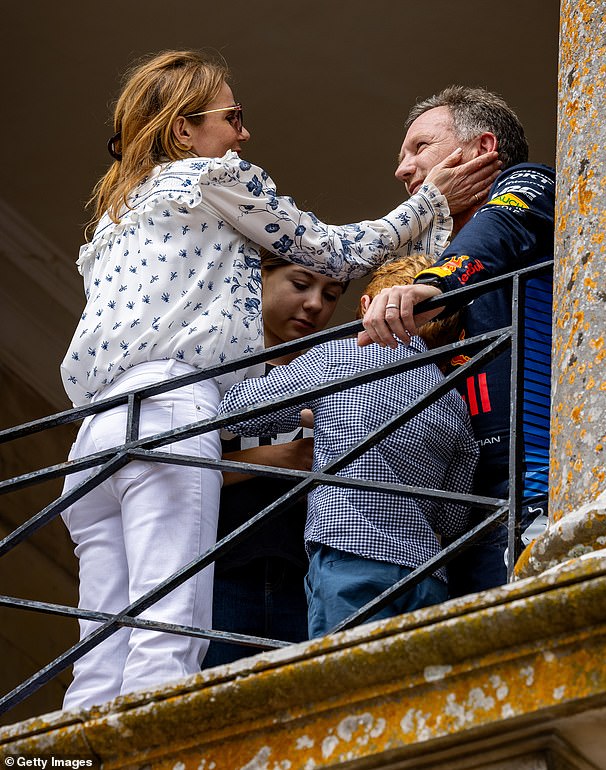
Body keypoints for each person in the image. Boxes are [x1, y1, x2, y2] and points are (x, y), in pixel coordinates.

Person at [58, 52, 499, 709]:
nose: (243, 133)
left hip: (93, 433)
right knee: (165, 636)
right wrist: (435, 200)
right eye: (232, 117)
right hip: (173, 403)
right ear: (185, 130)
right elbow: (335, 251)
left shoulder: (116, 218)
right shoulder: (216, 177)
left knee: (101, 651)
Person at [218, 254, 479, 638]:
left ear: (365, 307)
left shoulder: (337, 356)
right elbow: (453, 519)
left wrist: (313, 415)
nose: (316, 305)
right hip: (425, 573)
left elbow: (235, 412)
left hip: (347, 556)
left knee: (341, 678)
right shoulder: (454, 401)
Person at [359, 86, 555, 596]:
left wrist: (434, 286)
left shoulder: (527, 185)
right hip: (457, 507)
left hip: (533, 484)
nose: (403, 169)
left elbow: (497, 234)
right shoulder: (433, 248)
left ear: (482, 147)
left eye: (419, 147)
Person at [203, 251, 348, 667]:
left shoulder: (333, 368)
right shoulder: (211, 363)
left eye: (332, 295)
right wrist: (280, 457)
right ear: (257, 276)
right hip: (222, 569)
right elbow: (173, 472)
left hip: (304, 577)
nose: (315, 304)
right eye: (300, 285)